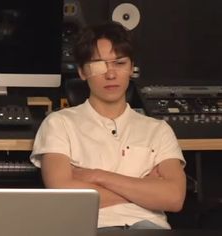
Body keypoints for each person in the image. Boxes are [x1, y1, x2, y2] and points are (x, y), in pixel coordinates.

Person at [30, 21, 186, 231]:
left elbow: (174, 198)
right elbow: (63, 192)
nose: (110, 74)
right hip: (89, 227)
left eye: (119, 63)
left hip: (149, 228)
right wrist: (144, 190)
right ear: (83, 72)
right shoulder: (60, 123)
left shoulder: (158, 130)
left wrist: (97, 176)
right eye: (98, 65)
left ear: (131, 67)